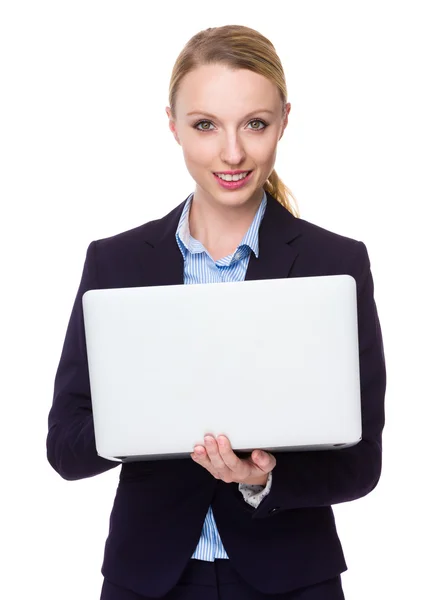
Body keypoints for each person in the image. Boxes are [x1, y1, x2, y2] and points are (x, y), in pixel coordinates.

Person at [46, 24, 386, 600]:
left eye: (254, 124)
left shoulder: (335, 263)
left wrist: (265, 478)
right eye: (206, 125)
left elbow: (362, 462)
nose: (232, 153)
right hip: (149, 580)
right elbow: (65, 447)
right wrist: (140, 417)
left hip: (291, 578)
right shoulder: (116, 262)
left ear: (282, 121)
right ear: (173, 126)